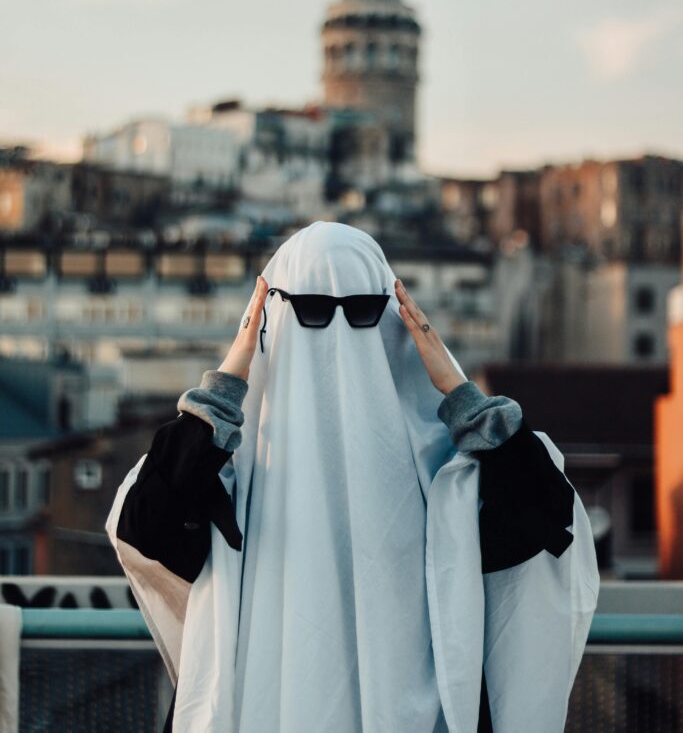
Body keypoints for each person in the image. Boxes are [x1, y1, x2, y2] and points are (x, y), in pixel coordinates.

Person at [106, 221, 599, 733]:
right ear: (270, 313)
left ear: (393, 313)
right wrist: (225, 385)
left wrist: (460, 395)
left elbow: (549, 523)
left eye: (363, 310)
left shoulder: (449, 462)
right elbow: (144, 528)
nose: (338, 335)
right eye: (313, 311)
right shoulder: (226, 460)